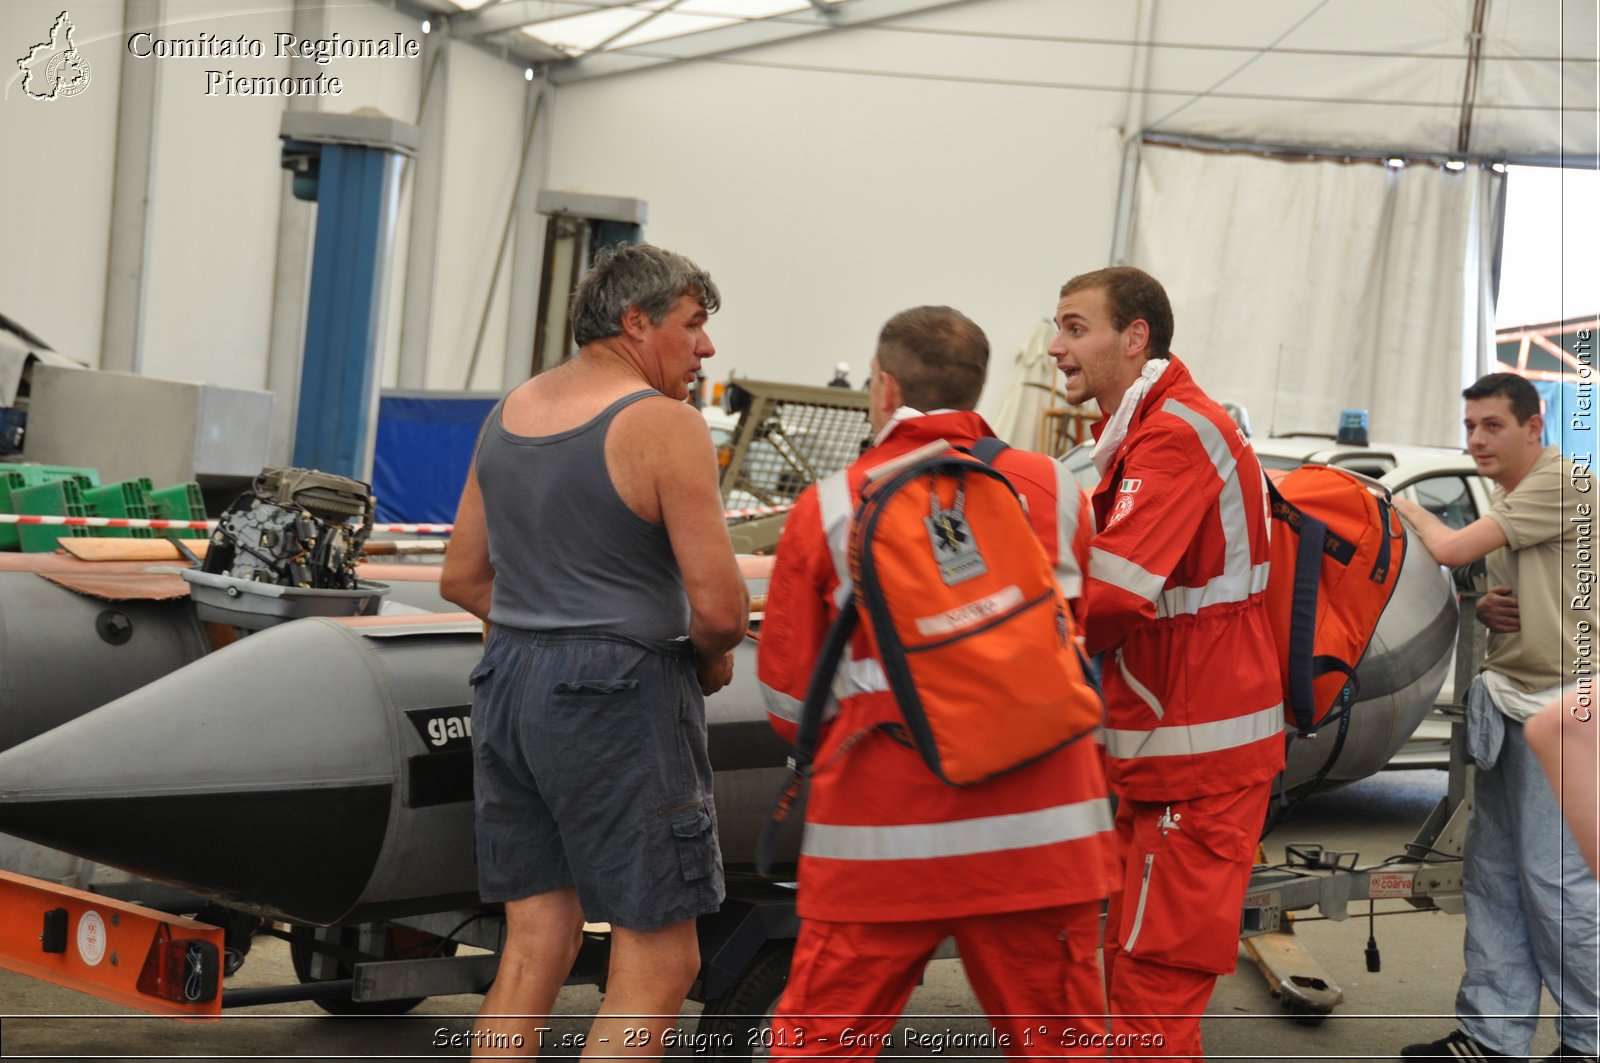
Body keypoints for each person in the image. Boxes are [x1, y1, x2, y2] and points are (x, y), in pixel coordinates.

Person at [756, 305, 1113, 1058]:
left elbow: (791, 703)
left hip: (882, 839)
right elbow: (1071, 638)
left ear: (884, 388)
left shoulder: (829, 508)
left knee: (819, 1045)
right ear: (977, 391)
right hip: (1043, 834)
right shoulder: (1053, 488)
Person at [440, 243, 749, 1060]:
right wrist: (710, 655)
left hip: (506, 682)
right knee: (660, 957)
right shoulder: (662, 423)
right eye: (695, 325)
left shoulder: (510, 412)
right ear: (635, 322)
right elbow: (721, 609)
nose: (706, 347)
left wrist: (543, 627)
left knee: (537, 940)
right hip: (619, 691)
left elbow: (461, 576)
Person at [1049, 266, 1283, 1061]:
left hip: (1199, 759)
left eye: (1075, 328)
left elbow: (1109, 591)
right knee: (1121, 970)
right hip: (1158, 748)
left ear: (1136, 335)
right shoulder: (1140, 431)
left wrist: (992, 621)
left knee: (1151, 990)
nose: (1056, 346)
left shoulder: (1177, 432)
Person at [1394, 372, 1598, 1063]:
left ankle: (1589, 1038)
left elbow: (1450, 549)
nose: (1476, 438)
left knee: (1556, 885)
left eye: (1492, 425)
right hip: (1515, 699)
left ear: (1534, 427)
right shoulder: (1515, 494)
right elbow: (1534, 592)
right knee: (1495, 879)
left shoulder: (1558, 481)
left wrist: (1401, 506)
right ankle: (1492, 1036)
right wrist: (1491, 606)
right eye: (1471, 424)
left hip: (1566, 711)